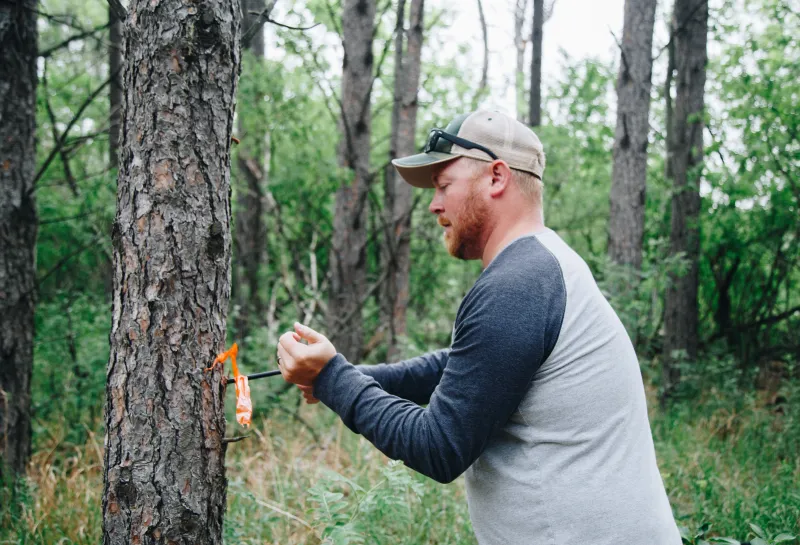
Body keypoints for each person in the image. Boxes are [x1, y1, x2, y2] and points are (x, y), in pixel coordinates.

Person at [276, 110, 681, 545]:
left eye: (444, 186)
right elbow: (466, 367)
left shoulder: (518, 284)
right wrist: (342, 374)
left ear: (496, 178)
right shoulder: (544, 263)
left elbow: (440, 446)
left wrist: (335, 379)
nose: (433, 205)